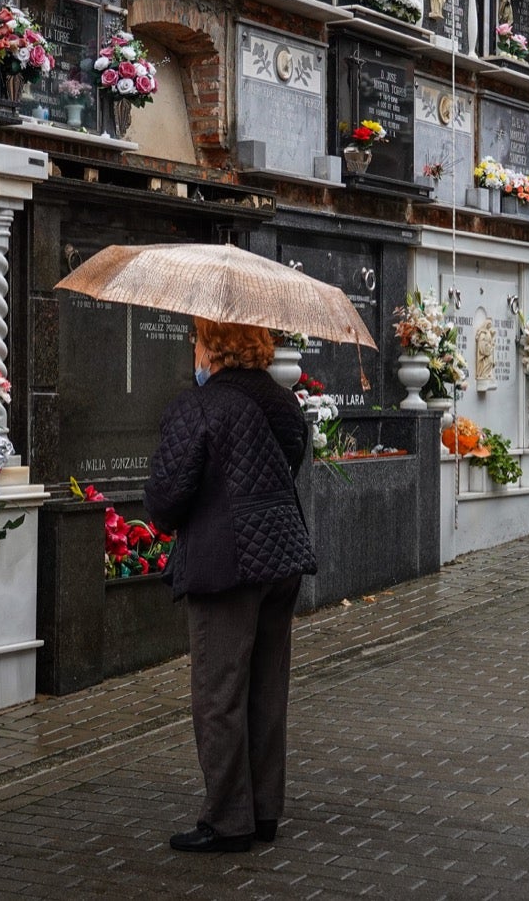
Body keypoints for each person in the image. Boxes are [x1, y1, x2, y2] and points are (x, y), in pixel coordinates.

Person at [145, 317, 317, 854]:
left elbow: (166, 500)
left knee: (218, 694)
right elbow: (289, 459)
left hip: (225, 564)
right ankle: (264, 811)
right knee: (267, 688)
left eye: (196, 339)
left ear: (211, 347)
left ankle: (227, 820)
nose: (193, 349)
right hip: (281, 554)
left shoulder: (196, 406)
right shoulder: (282, 402)